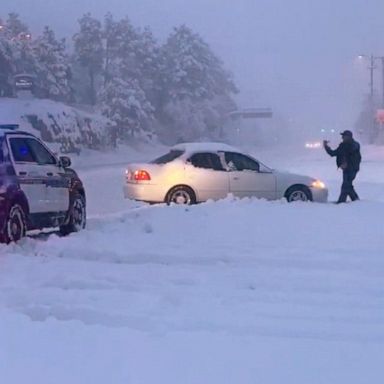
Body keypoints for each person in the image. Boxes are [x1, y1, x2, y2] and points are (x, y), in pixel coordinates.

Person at [323, 130, 361, 204]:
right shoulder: (343, 145)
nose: (342, 137)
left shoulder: (354, 145)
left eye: (344, 136)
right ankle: (356, 200)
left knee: (345, 186)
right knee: (348, 186)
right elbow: (333, 153)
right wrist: (326, 146)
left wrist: (346, 162)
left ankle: (341, 202)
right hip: (346, 169)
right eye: (342, 136)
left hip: (352, 169)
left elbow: (351, 152)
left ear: (349, 137)